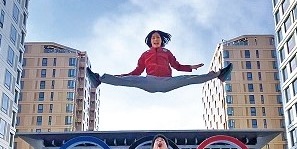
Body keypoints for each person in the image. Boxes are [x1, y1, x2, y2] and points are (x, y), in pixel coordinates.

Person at [87, 30, 233, 93]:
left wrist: (191, 67)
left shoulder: (167, 52)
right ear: (150, 41)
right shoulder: (145, 54)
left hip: (166, 82)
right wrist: (122, 77)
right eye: (153, 38)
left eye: (158, 38)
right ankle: (99, 79)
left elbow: (177, 66)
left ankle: (219, 74)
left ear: (161, 40)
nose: (156, 39)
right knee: (130, 79)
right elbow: (137, 72)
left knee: (189, 79)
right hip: (149, 81)